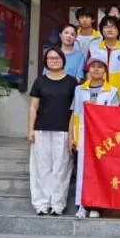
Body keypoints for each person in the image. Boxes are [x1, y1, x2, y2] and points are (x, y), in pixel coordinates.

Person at [28, 48, 78, 216]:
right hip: (41, 129)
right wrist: (30, 129)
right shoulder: (39, 81)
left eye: (57, 58)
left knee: (61, 168)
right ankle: (41, 204)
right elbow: (33, 107)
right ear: (45, 62)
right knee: (41, 168)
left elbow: (75, 110)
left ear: (63, 60)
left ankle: (57, 204)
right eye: (50, 58)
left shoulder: (71, 82)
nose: (54, 60)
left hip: (63, 131)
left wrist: (72, 134)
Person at [71, 56, 120, 219]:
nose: (96, 69)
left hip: (102, 138)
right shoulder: (79, 90)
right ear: (88, 70)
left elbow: (114, 117)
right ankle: (82, 205)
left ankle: (97, 206)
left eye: (100, 66)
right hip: (82, 136)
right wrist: (71, 137)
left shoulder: (112, 91)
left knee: (99, 171)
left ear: (105, 71)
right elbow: (74, 113)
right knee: (82, 171)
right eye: (93, 66)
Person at [87, 15, 120, 96]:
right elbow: (88, 72)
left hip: (118, 94)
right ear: (101, 30)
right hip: (97, 94)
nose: (109, 29)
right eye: (106, 26)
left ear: (118, 30)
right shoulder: (93, 49)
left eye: (113, 27)